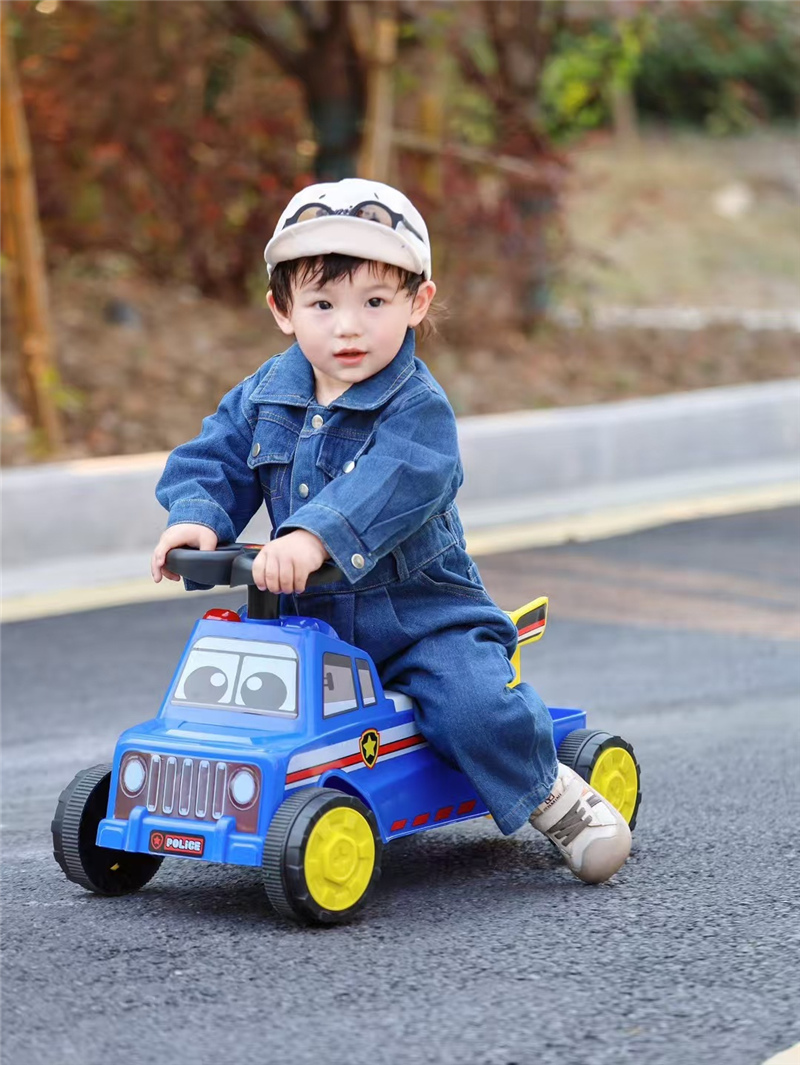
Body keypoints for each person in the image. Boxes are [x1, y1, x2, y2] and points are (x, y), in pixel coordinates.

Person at [151, 178, 631, 884]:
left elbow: (393, 479)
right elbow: (215, 455)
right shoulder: (266, 393)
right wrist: (195, 516)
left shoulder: (418, 409)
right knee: (229, 694)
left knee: (470, 706)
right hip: (306, 622)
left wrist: (312, 537)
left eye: (374, 303)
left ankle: (551, 792)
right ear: (282, 310)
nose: (348, 328)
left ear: (418, 302)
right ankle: (205, 791)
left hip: (420, 620)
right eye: (322, 304)